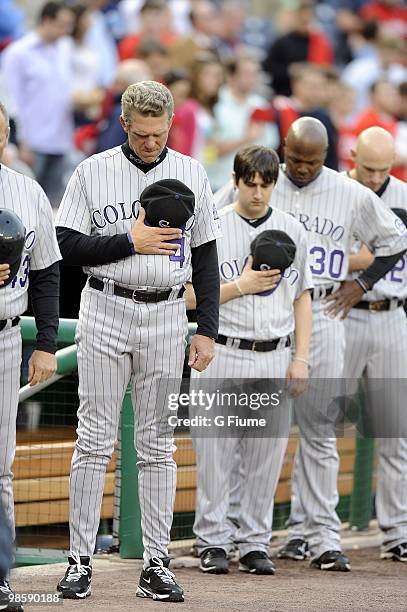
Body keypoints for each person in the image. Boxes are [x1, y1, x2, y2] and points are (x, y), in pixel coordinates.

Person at [54, 80, 221, 603]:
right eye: (142, 133)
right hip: (105, 305)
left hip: (169, 312)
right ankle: (79, 559)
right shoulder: (92, 170)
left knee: (157, 445)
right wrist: (131, 240)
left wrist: (209, 329)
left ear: (170, 124)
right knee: (94, 439)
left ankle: (156, 562)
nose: (151, 142)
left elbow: (208, 257)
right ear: (124, 123)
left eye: (159, 132)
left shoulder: (191, 171)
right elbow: (65, 244)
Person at [268, 117, 406, 571]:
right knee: (268, 429)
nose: (302, 169)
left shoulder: (362, 195)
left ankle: (349, 534)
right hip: (286, 313)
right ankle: (274, 532)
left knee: (347, 430)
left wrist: (362, 281)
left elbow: (395, 241)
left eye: (383, 169)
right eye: (295, 159)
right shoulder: (268, 180)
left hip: (347, 312)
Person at [185, 145, 313, 574]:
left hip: (273, 353)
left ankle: (254, 541)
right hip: (221, 349)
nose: (258, 193)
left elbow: (303, 298)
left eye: (266, 184)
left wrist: (302, 358)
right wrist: (240, 285)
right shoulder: (213, 227)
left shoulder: (293, 228)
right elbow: (188, 296)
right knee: (216, 455)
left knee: (265, 455)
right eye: (250, 183)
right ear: (236, 181)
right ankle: (213, 540)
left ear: (274, 183)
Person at [0, 101, 61, 610]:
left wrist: (44, 343)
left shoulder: (27, 190)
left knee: (0, 466)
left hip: (4, 337)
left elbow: (46, 273)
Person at [343, 126, 407, 562]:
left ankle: (397, 530)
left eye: (382, 170)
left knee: (395, 431)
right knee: (318, 424)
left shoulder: (403, 195)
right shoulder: (334, 191)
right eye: (367, 168)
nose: (374, 178)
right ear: (353, 156)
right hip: (341, 312)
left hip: (391, 315)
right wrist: (364, 262)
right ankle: (313, 529)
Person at [1, 1, 75, 207]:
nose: (67, 30)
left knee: (53, 206)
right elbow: (10, 101)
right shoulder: (18, 53)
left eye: (69, 25)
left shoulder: (64, 50)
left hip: (59, 140)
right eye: (62, 24)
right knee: (25, 204)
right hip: (32, 141)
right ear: (46, 20)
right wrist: (20, 139)